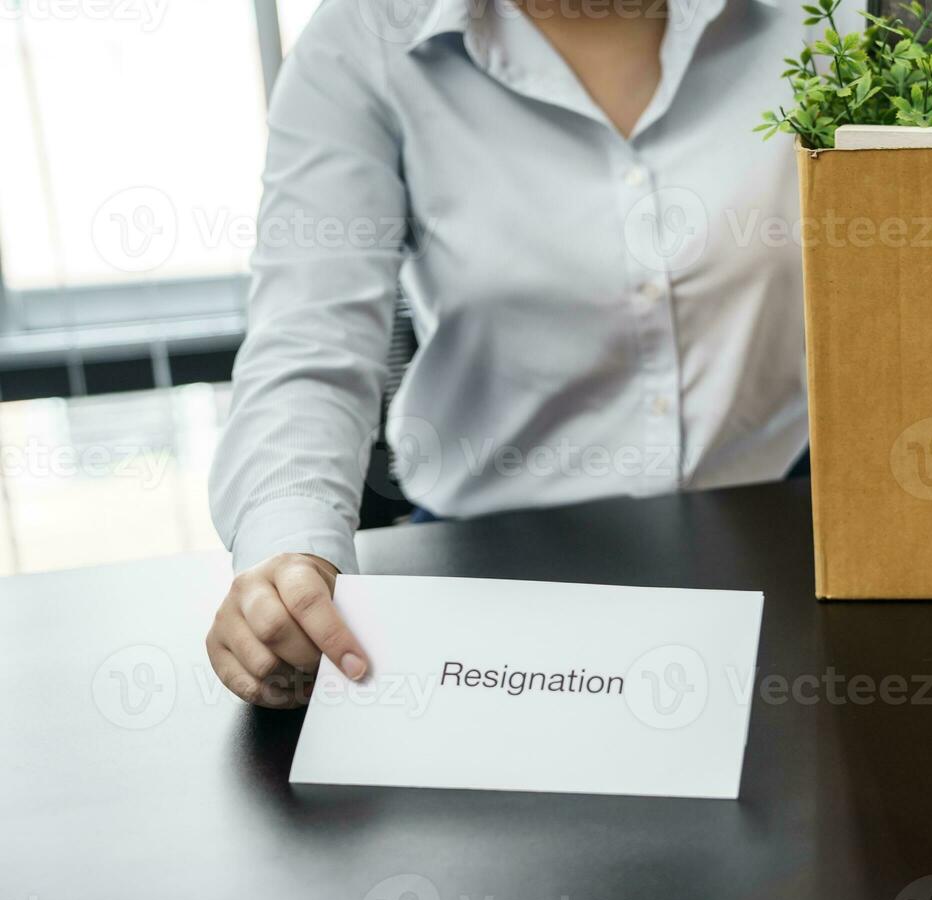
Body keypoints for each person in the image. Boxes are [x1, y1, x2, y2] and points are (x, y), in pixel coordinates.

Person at [205, 0, 823, 706]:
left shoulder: (818, 20)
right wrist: (291, 550)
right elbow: (310, 339)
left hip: (782, 544)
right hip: (492, 576)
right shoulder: (367, 35)